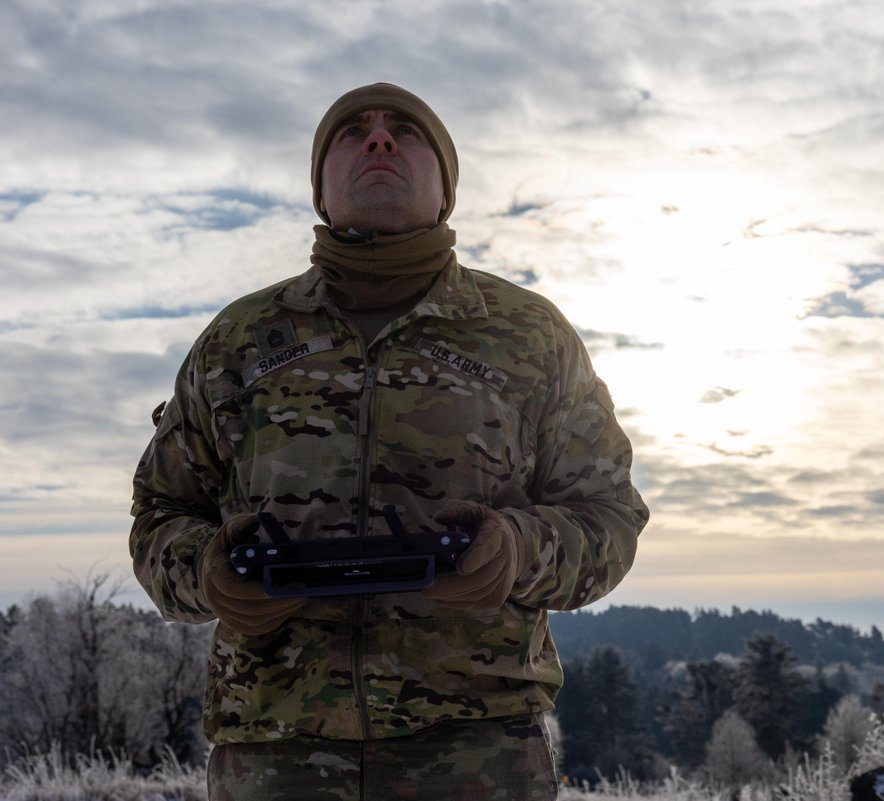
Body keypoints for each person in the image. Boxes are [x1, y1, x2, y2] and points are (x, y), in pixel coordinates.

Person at [130, 82, 649, 801]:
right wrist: (209, 574)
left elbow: (609, 519)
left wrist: (517, 550)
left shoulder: (530, 337)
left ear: (446, 191)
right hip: (277, 754)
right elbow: (160, 515)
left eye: (404, 130)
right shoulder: (238, 341)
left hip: (477, 752)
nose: (378, 140)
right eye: (353, 133)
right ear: (321, 190)